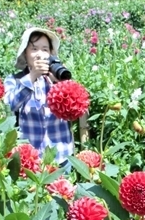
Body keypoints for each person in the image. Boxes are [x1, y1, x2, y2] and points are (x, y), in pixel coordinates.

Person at [5, 27, 88, 166]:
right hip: (30, 160)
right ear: (25, 53)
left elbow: (77, 108)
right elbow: (9, 105)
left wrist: (60, 84)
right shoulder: (15, 80)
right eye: (34, 49)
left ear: (50, 54)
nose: (39, 54)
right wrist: (32, 77)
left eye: (45, 49)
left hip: (61, 156)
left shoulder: (58, 78)